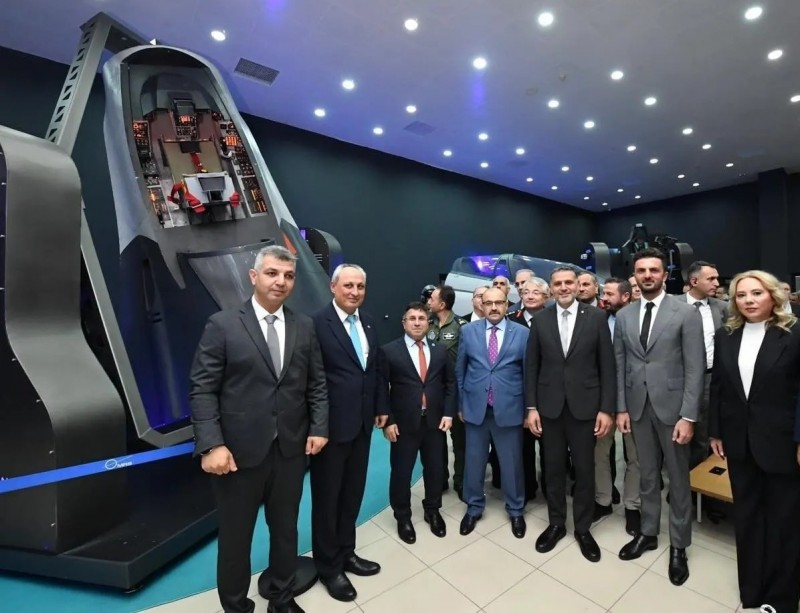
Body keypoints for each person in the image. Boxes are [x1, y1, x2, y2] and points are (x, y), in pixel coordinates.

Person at [189, 245, 329, 613]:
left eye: (288, 275)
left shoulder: (304, 326)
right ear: (253, 276)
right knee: (236, 539)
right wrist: (211, 445)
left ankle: (282, 598)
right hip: (237, 455)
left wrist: (319, 427)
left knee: (285, 532)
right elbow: (202, 389)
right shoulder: (222, 324)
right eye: (272, 273)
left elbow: (316, 384)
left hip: (290, 452)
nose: (281, 281)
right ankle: (236, 607)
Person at [709, 270, 800, 613]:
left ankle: (782, 598)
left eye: (756, 293)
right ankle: (752, 590)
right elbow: (718, 387)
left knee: (784, 521)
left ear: (773, 295)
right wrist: (716, 431)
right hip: (738, 442)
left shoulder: (794, 334)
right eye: (741, 294)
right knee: (746, 516)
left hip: (782, 442)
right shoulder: (726, 335)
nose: (748, 300)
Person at [614, 248, 705, 586]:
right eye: (642, 270)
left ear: (665, 275)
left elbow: (695, 368)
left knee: (678, 479)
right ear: (635, 276)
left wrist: (688, 416)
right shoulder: (624, 315)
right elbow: (620, 364)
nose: (647, 275)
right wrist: (621, 408)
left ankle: (679, 545)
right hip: (638, 407)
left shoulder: (685, 313)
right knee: (647, 475)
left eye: (654, 270)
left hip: (674, 410)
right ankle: (648, 532)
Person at [525, 266, 615, 562]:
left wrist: (606, 409)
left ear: (577, 286)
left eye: (568, 283)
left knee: (585, 470)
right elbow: (532, 366)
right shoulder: (541, 320)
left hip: (585, 407)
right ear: (551, 289)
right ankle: (556, 523)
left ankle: (583, 528)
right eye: (558, 283)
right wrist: (531, 407)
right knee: (552, 468)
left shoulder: (597, 318)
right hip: (549, 408)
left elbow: (607, 367)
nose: (563, 287)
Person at [311, 264, 386, 603]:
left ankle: (346, 552)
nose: (355, 292)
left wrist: (381, 406)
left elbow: (375, 370)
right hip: (330, 429)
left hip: (362, 425)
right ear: (333, 287)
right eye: (348, 286)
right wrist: (316, 426)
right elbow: (312, 380)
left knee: (352, 493)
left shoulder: (368, 321)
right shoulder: (316, 324)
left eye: (360, 286)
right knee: (328, 499)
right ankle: (328, 567)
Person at [456, 287, 529, 538]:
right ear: (481, 305)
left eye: (499, 302)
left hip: (509, 408)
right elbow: (460, 370)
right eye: (489, 303)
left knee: (511, 464)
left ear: (507, 304)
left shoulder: (522, 333)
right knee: (473, 463)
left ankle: (516, 509)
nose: (494, 307)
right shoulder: (468, 331)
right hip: (476, 408)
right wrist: (461, 405)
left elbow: (528, 374)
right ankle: (473, 507)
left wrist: (528, 409)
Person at [379, 302, 455, 544]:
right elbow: (381, 388)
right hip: (403, 425)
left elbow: (450, 384)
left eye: (422, 318)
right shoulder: (389, 351)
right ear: (404, 323)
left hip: (434, 423)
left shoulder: (440, 350)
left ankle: (432, 510)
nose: (417, 322)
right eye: (412, 318)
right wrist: (388, 421)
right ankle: (403, 516)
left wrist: (448, 414)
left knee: (435, 469)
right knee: (401, 473)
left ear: (428, 323)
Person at [594, 277, 641, 536]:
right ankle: (602, 501)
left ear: (626, 296)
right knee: (599, 453)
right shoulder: (598, 320)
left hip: (634, 399)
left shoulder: (638, 320)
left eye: (610, 294)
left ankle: (632, 506)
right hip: (602, 400)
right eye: (604, 293)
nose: (604, 298)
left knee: (635, 456)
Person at [508, 277, 550, 500]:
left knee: (550, 448)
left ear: (546, 296)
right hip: (518, 393)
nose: (530, 296)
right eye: (525, 292)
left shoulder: (554, 319)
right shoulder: (510, 320)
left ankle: (550, 489)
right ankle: (527, 489)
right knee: (522, 447)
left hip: (549, 393)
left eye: (536, 292)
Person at [684, 260, 729, 469]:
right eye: (711, 279)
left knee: (705, 434)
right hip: (679, 379)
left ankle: (700, 480)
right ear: (694, 281)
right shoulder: (671, 306)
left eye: (716, 278)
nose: (717, 283)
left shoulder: (723, 308)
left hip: (711, 378)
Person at [427, 285, 468, 500]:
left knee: (460, 440)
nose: (428, 302)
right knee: (436, 440)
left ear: (442, 304)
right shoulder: (428, 324)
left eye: (432, 299)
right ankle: (440, 479)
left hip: (456, 391)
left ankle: (461, 480)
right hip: (434, 392)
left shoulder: (462, 326)